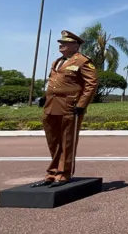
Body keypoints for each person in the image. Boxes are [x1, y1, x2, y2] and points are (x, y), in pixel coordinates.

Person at [32, 30, 98, 188]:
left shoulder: (82, 61)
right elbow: (54, 82)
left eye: (65, 43)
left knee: (67, 141)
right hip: (51, 106)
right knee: (53, 140)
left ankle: (63, 174)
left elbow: (92, 84)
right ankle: (52, 173)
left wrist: (82, 104)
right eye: (61, 43)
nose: (61, 45)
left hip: (70, 106)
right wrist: (45, 97)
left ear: (75, 45)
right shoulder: (57, 62)